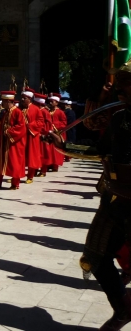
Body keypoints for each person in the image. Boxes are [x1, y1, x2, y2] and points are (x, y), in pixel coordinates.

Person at [47, 62, 131, 331]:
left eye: (127, 82)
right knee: (95, 257)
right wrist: (65, 146)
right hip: (115, 199)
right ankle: (123, 310)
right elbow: (100, 149)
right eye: (120, 82)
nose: (120, 87)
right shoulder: (119, 118)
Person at [0, 91, 26, 190]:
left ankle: (15, 184)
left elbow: (21, 127)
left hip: (14, 142)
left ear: (9, 101)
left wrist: (8, 131)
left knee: (14, 162)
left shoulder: (17, 112)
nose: (3, 104)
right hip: (4, 141)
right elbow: (3, 126)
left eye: (4, 102)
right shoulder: (5, 112)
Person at [20, 88, 44, 184]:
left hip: (31, 135)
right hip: (21, 135)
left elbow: (40, 122)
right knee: (20, 156)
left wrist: (29, 125)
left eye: (24, 98)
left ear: (29, 99)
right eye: (21, 98)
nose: (22, 100)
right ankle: (17, 175)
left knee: (31, 156)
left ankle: (30, 176)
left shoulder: (36, 109)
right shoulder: (19, 109)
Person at [44, 92, 67, 172]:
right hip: (50, 133)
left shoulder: (60, 112)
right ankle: (48, 164)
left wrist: (54, 126)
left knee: (56, 150)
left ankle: (55, 165)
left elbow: (64, 123)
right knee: (48, 149)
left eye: (52, 101)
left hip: (58, 133)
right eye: (49, 101)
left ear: (57, 102)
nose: (50, 102)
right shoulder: (47, 111)